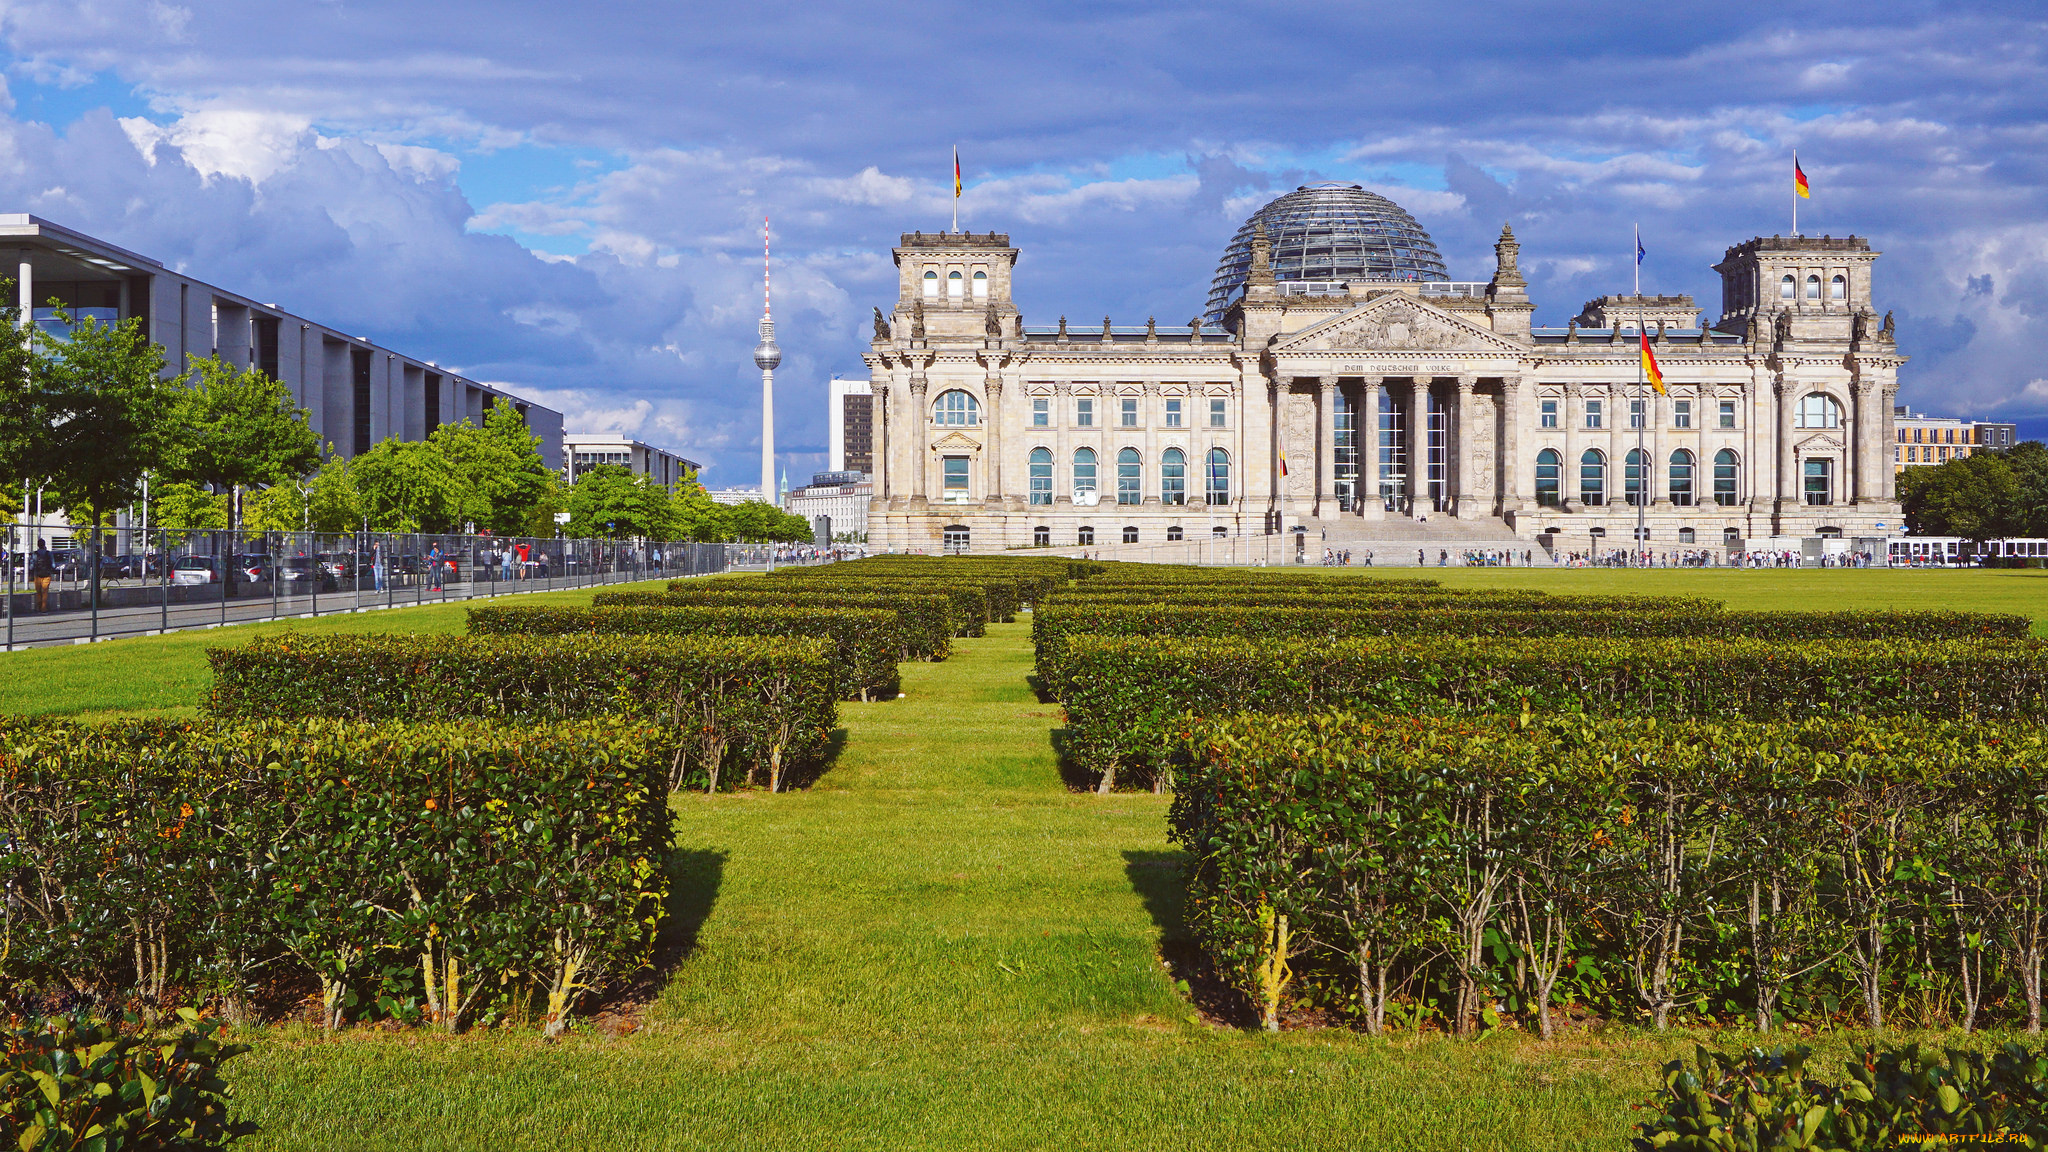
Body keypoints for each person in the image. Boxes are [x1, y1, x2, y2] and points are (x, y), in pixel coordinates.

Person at [30, 538, 54, 611]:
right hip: (47, 574)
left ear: (38, 545)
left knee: (38, 591)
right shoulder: (49, 553)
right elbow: (53, 565)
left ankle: (38, 606)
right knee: (45, 591)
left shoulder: (35, 554)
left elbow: (31, 566)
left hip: (37, 575)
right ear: (44, 545)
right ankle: (43, 607)